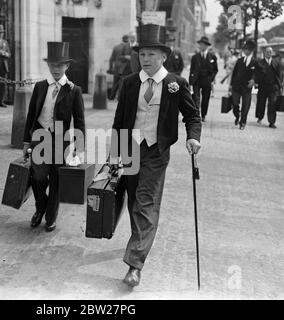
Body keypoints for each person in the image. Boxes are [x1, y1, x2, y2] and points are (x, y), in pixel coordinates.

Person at [111, 24, 202, 288]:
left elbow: (192, 115)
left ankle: (135, 265)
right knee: (132, 202)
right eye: (142, 55)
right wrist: (114, 154)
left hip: (156, 152)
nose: (146, 60)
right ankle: (137, 242)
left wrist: (193, 137)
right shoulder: (129, 84)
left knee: (146, 202)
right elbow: (119, 121)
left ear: (164, 56)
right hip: (131, 148)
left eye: (152, 55)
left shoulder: (176, 84)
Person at [23, 42, 85, 232]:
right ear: (48, 66)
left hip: (62, 142)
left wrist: (79, 148)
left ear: (67, 66)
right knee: (38, 177)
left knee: (57, 180)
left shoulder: (74, 90)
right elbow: (31, 115)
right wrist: (26, 142)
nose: (56, 69)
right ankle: (40, 208)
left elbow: (80, 122)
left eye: (60, 65)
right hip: (40, 139)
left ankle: (51, 216)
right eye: (52, 65)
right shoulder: (41, 87)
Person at [230, 40, 258, 130]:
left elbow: (258, 73)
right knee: (235, 104)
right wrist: (230, 85)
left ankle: (243, 123)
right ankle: (237, 116)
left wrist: (254, 80)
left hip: (247, 87)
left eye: (248, 49)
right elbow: (234, 73)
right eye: (245, 49)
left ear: (251, 51)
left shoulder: (255, 62)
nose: (246, 51)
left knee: (246, 106)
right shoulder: (239, 61)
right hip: (236, 86)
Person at [189, 36, 218, 122]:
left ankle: (204, 115)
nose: (201, 46)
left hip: (207, 81)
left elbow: (215, 70)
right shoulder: (195, 57)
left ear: (206, 46)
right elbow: (192, 70)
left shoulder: (212, 56)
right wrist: (190, 82)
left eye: (203, 45)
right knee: (196, 98)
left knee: (205, 99)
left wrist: (211, 79)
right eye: (200, 45)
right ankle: (196, 114)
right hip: (196, 80)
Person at [255, 46, 282, 129]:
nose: (269, 53)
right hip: (263, 86)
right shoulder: (260, 63)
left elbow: (279, 75)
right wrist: (256, 82)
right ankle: (260, 117)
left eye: (270, 51)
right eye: (267, 51)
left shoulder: (276, 63)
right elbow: (256, 73)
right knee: (261, 103)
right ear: (264, 53)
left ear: (272, 53)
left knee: (272, 104)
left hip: (273, 87)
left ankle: (271, 122)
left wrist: (280, 85)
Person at [108, 35, 132, 100]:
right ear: (128, 39)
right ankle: (120, 98)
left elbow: (111, 59)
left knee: (115, 83)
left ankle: (111, 97)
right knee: (122, 83)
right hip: (125, 68)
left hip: (116, 67)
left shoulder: (116, 47)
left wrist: (110, 68)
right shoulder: (129, 47)